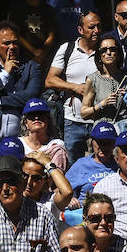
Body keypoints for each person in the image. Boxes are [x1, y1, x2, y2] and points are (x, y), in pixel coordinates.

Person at [44, 10, 100, 159]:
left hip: (99, 120)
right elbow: (49, 80)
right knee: (71, 166)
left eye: (99, 26)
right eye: (91, 27)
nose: (96, 30)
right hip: (73, 121)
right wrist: (75, 87)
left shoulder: (105, 50)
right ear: (80, 30)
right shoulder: (67, 49)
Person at [79, 35, 123, 127]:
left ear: (118, 53)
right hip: (102, 128)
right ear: (99, 55)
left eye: (113, 49)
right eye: (104, 50)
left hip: (124, 126)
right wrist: (102, 104)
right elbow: (84, 113)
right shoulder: (93, 79)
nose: (108, 53)